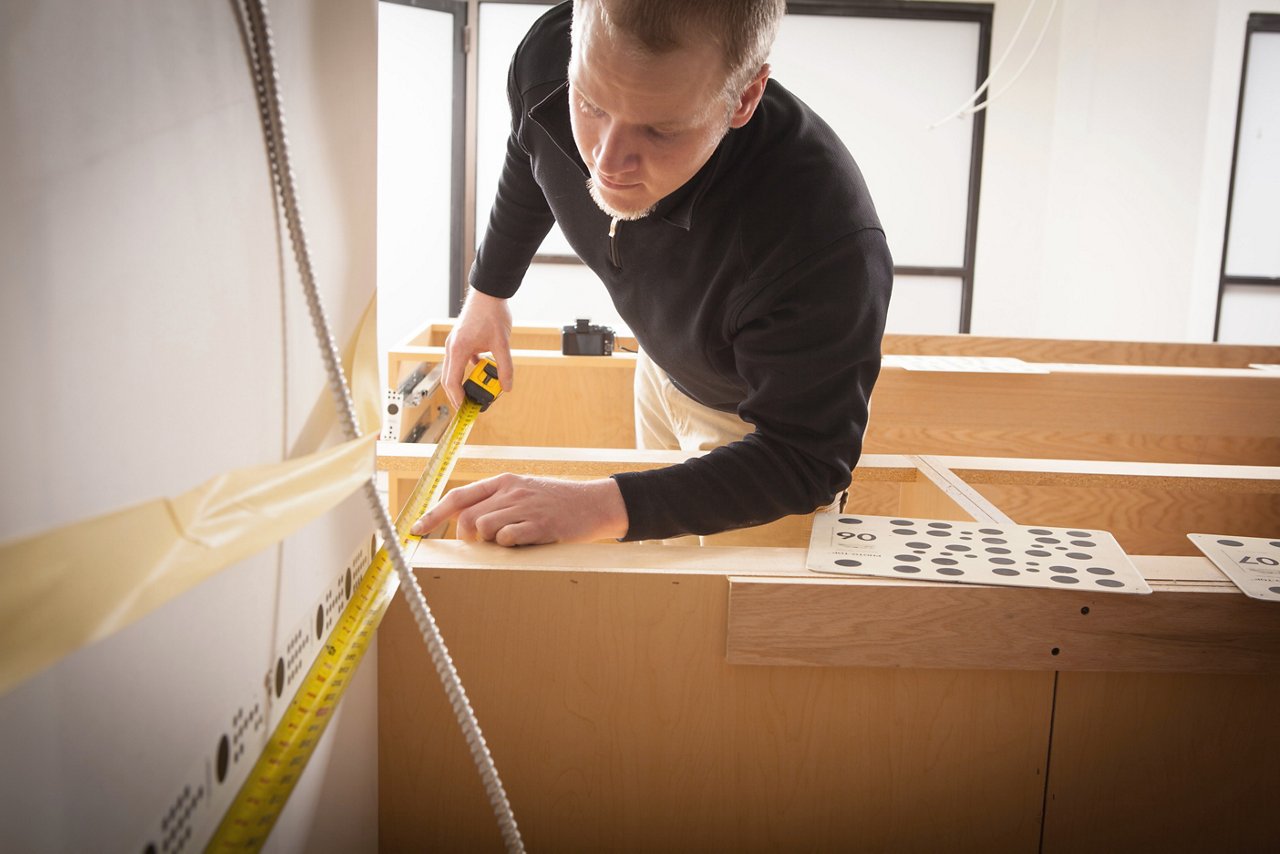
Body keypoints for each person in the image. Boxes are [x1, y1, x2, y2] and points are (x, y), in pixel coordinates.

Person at [410, 0, 892, 546]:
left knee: (712, 620)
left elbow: (806, 457)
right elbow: (533, 148)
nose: (606, 161)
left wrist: (595, 503)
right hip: (660, 366)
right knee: (657, 573)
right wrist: (487, 294)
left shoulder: (823, 238)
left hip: (754, 433)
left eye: (661, 131)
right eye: (590, 104)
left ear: (745, 98)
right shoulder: (550, 56)